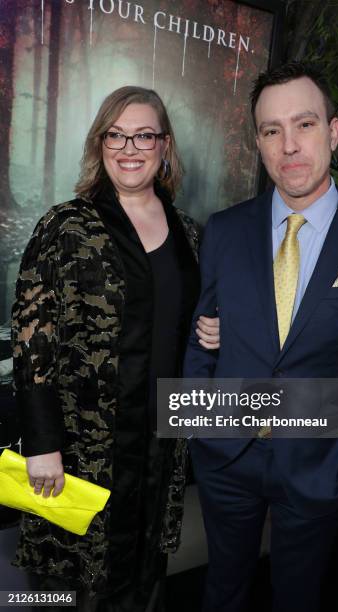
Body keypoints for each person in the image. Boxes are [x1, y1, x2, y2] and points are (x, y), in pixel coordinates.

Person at [183, 61, 338, 612]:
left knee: (298, 597)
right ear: (258, 143)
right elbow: (201, 337)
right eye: (271, 130)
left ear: (331, 132)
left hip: (319, 464)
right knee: (222, 591)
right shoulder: (224, 230)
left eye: (304, 125)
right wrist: (198, 429)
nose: (289, 145)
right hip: (227, 458)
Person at [11, 86, 219, 611]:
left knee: (147, 577)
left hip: (159, 447)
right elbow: (32, 337)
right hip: (82, 449)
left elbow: (189, 325)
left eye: (144, 134)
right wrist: (41, 442)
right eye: (117, 134)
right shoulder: (65, 227)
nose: (130, 147)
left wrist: (216, 331)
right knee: (76, 587)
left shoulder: (191, 237)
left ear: (164, 145)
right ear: (100, 143)